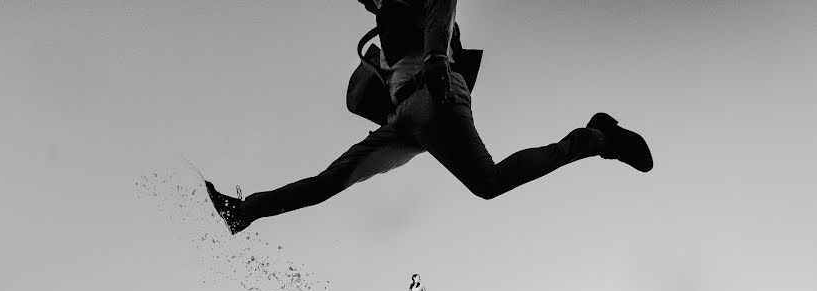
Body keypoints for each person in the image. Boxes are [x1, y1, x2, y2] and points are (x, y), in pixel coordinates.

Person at [206, 0, 653, 234]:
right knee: (329, 181)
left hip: (437, 96)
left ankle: (599, 138)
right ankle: (245, 211)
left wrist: (439, 58)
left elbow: (443, 5)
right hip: (402, 118)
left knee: (489, 183)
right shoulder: (388, 16)